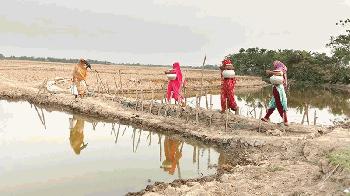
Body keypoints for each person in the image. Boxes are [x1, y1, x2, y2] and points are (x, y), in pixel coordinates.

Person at [261, 60, 289, 126]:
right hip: (278, 88)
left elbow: (279, 73)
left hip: (278, 89)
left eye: (274, 63)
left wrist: (270, 72)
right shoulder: (283, 69)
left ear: (278, 63)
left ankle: (285, 120)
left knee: (280, 104)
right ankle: (266, 117)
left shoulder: (280, 69)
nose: (274, 64)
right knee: (273, 103)